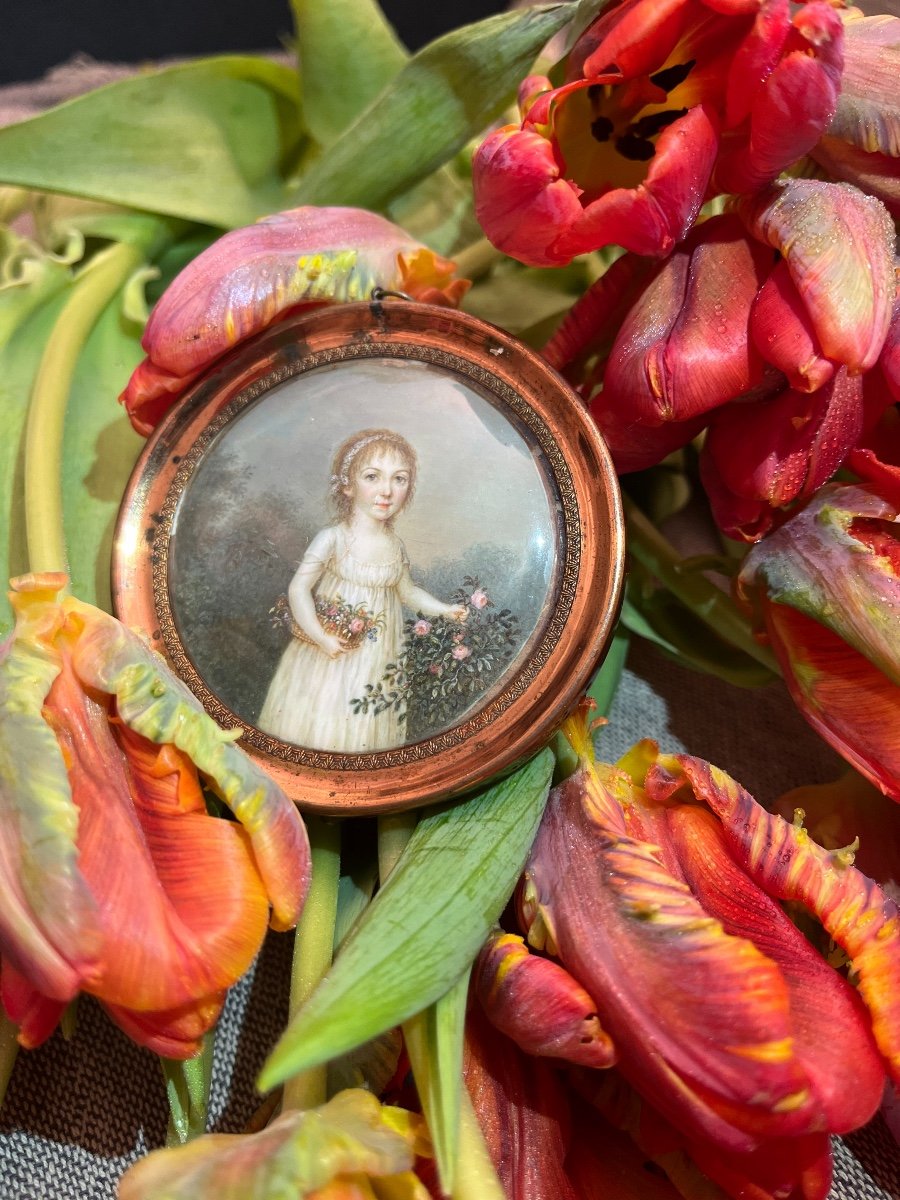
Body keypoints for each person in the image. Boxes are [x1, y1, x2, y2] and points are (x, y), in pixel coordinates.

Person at [258, 428, 467, 752]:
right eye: (372, 476)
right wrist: (320, 636)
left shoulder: (396, 546)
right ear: (347, 484)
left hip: (377, 660)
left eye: (399, 479)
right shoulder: (334, 538)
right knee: (323, 723)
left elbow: (408, 593)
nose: (386, 490)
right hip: (328, 654)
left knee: (364, 734)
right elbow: (298, 588)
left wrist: (445, 610)